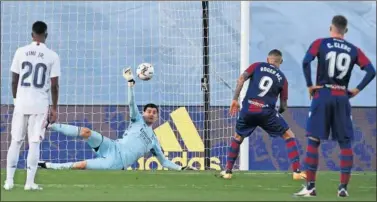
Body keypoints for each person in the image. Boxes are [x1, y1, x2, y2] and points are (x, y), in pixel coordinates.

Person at [38, 68, 195, 172]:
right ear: (144, 113)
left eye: (154, 112)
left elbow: (165, 162)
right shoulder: (137, 120)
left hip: (117, 163)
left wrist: (182, 168)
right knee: (86, 132)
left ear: (157, 117)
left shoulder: (154, 141)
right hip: (112, 146)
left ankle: (48, 165)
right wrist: (130, 84)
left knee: (82, 165)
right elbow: (131, 103)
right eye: (149, 111)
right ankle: (50, 125)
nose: (152, 114)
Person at [294, 15, 376, 197]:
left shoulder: (320, 43)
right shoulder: (354, 49)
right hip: (341, 96)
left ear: (331, 27)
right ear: (345, 31)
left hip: (322, 94)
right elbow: (371, 71)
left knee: (313, 141)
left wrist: (309, 84)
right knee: (345, 143)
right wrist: (357, 90)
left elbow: (306, 61)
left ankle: (310, 187)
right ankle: (343, 188)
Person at [220, 49, 305, 180]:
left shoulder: (257, 66)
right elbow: (283, 106)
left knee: (238, 137)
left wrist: (235, 99)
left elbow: (242, 78)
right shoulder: (282, 78)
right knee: (289, 135)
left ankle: (228, 171)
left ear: (267, 59)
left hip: (248, 109)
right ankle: (297, 172)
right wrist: (276, 114)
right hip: (267, 113)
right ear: (280, 61)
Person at [4, 21, 61, 191]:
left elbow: (14, 80)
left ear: (31, 34)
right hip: (39, 104)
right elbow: (54, 85)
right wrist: (54, 107)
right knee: (34, 143)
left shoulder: (20, 52)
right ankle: (29, 183)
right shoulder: (52, 56)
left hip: (21, 103)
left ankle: (9, 182)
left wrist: (15, 99)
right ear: (46, 35)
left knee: (15, 141)